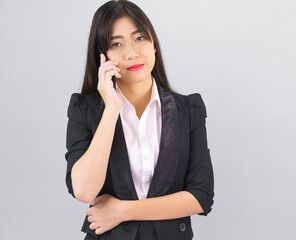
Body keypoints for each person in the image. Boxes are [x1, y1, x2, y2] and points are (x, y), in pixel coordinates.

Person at [64, 1, 214, 239]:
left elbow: (201, 196)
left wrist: (122, 211)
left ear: (154, 44)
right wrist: (111, 110)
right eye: (116, 43)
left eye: (140, 38)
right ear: (102, 56)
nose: (131, 52)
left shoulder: (188, 109)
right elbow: (83, 190)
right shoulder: (85, 110)